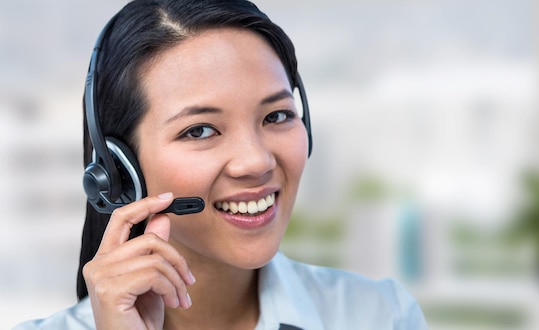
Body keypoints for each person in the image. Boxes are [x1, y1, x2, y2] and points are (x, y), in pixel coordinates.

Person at [14, 0, 428, 329]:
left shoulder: (378, 316)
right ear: (119, 168)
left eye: (277, 116)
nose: (256, 162)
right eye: (200, 131)